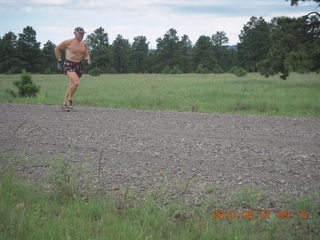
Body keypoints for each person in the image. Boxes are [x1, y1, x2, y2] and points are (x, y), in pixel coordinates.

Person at [55, 27, 91, 111]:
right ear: (74, 33)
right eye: (80, 33)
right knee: (76, 82)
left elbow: (86, 54)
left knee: (72, 85)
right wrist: (59, 60)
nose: (82, 35)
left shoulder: (84, 44)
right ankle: (69, 100)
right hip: (69, 64)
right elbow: (57, 48)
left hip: (78, 65)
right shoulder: (68, 42)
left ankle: (64, 104)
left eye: (83, 34)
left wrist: (87, 59)